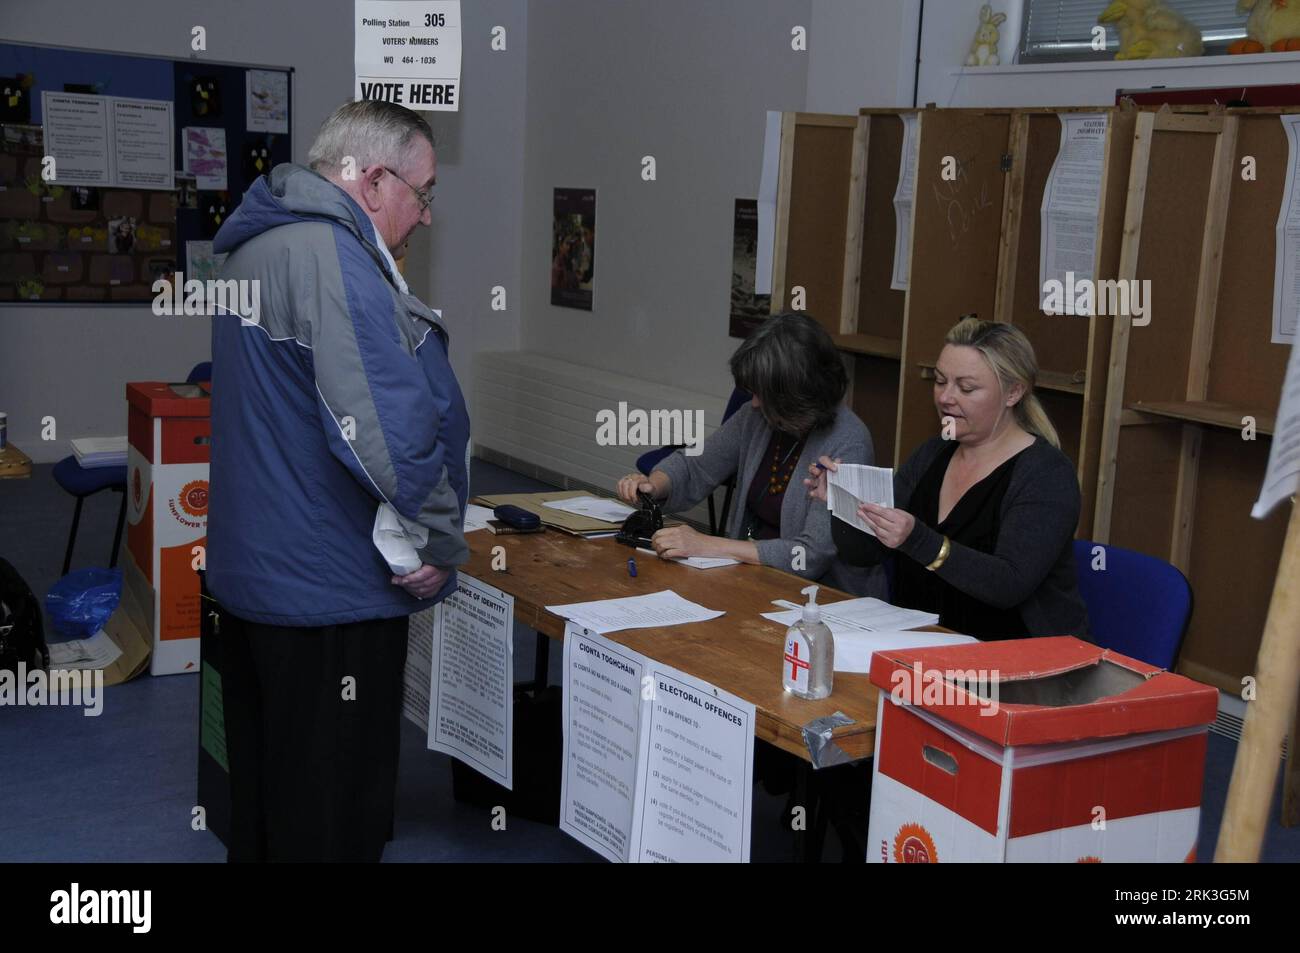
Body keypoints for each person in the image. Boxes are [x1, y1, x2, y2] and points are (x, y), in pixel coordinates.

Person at [206, 100, 470, 862]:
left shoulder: (256, 249)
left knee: (267, 803)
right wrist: (439, 543)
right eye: (422, 195)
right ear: (376, 180)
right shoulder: (332, 259)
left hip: (259, 581)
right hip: (329, 595)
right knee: (331, 818)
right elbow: (386, 439)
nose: (424, 217)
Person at [808, 316, 1088, 638]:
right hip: (920, 645)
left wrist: (917, 539)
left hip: (1013, 665)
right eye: (941, 381)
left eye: (966, 387)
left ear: (1013, 393)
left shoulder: (1046, 475)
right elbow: (864, 554)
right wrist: (842, 503)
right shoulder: (932, 454)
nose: (945, 397)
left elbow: (1008, 585)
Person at [617, 312, 886, 597]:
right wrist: (654, 484)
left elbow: (809, 555)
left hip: (824, 599)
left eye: (762, 393)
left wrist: (709, 545)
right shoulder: (757, 418)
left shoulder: (848, 442)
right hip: (753, 579)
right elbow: (698, 465)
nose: (754, 402)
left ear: (795, 395)